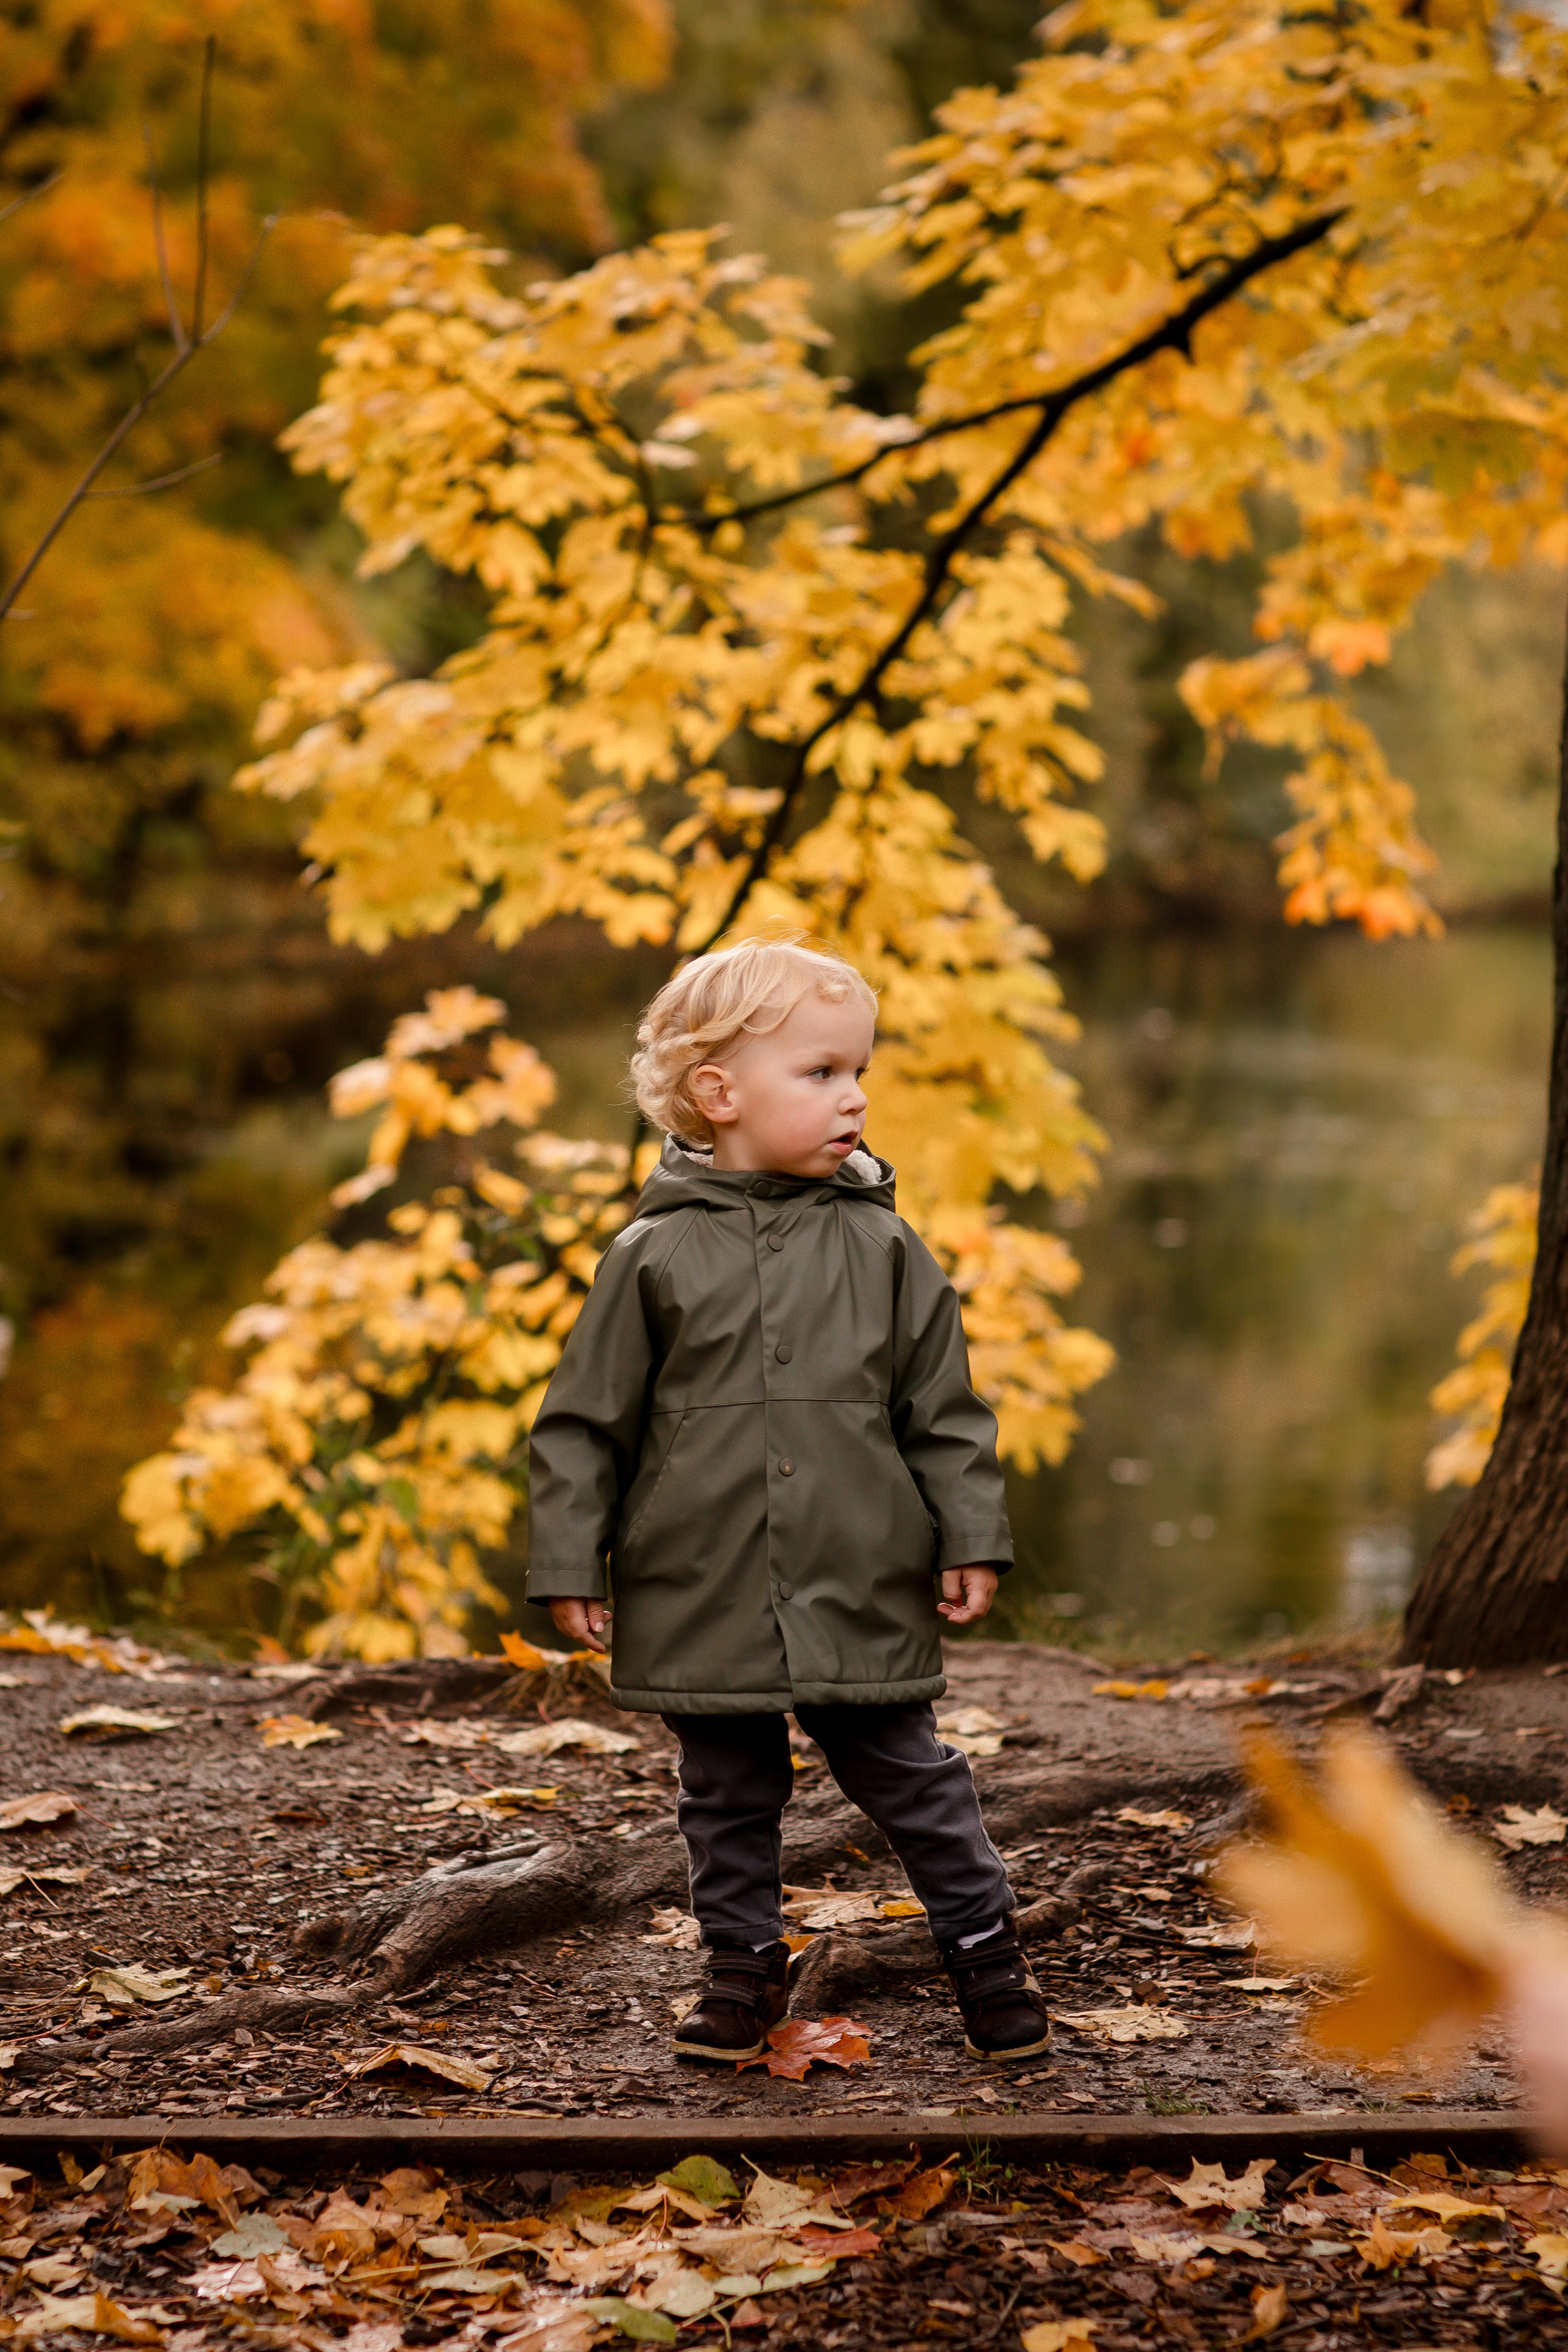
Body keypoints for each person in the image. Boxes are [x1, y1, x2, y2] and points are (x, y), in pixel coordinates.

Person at [526, 936, 1049, 2065]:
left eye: (858, 1070)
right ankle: (740, 1972)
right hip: (699, 1576)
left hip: (856, 1568)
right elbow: (585, 1424)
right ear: (718, 1095)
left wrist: (971, 1534)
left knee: (913, 1779)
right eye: (819, 1073)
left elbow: (944, 1412)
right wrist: (569, 1558)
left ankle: (987, 1959)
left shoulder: (887, 1248)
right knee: (724, 1790)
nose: (853, 1095)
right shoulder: (651, 1256)